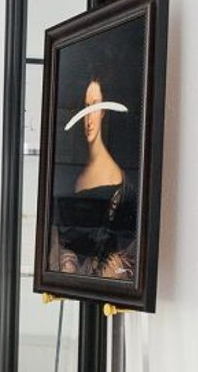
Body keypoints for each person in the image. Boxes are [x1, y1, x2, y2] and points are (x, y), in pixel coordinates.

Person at [51, 78, 136, 280]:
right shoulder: (70, 174)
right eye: (86, 108)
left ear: (105, 112)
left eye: (96, 107)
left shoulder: (119, 182)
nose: (89, 118)